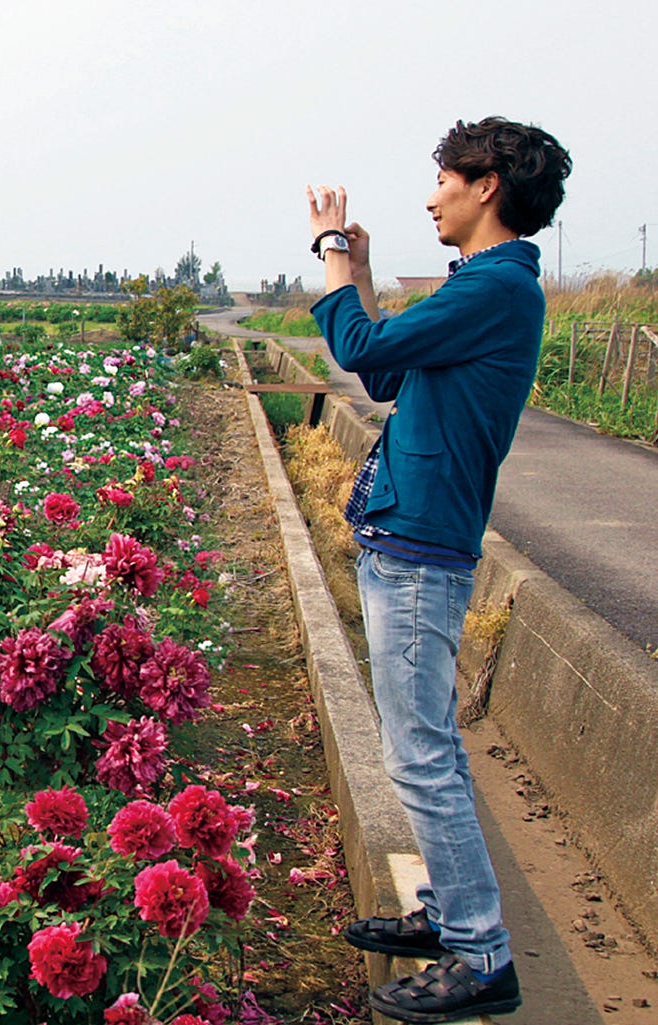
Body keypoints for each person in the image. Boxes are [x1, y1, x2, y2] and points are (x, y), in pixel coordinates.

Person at [305, 116, 572, 1023]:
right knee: (418, 747)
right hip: (408, 535)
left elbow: (362, 351)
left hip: (422, 545)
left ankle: (482, 953)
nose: (432, 196)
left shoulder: (499, 287)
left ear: (487, 184)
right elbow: (386, 376)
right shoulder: (485, 289)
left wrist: (333, 249)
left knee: (420, 756)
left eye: (445, 179)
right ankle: (447, 913)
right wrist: (365, 277)